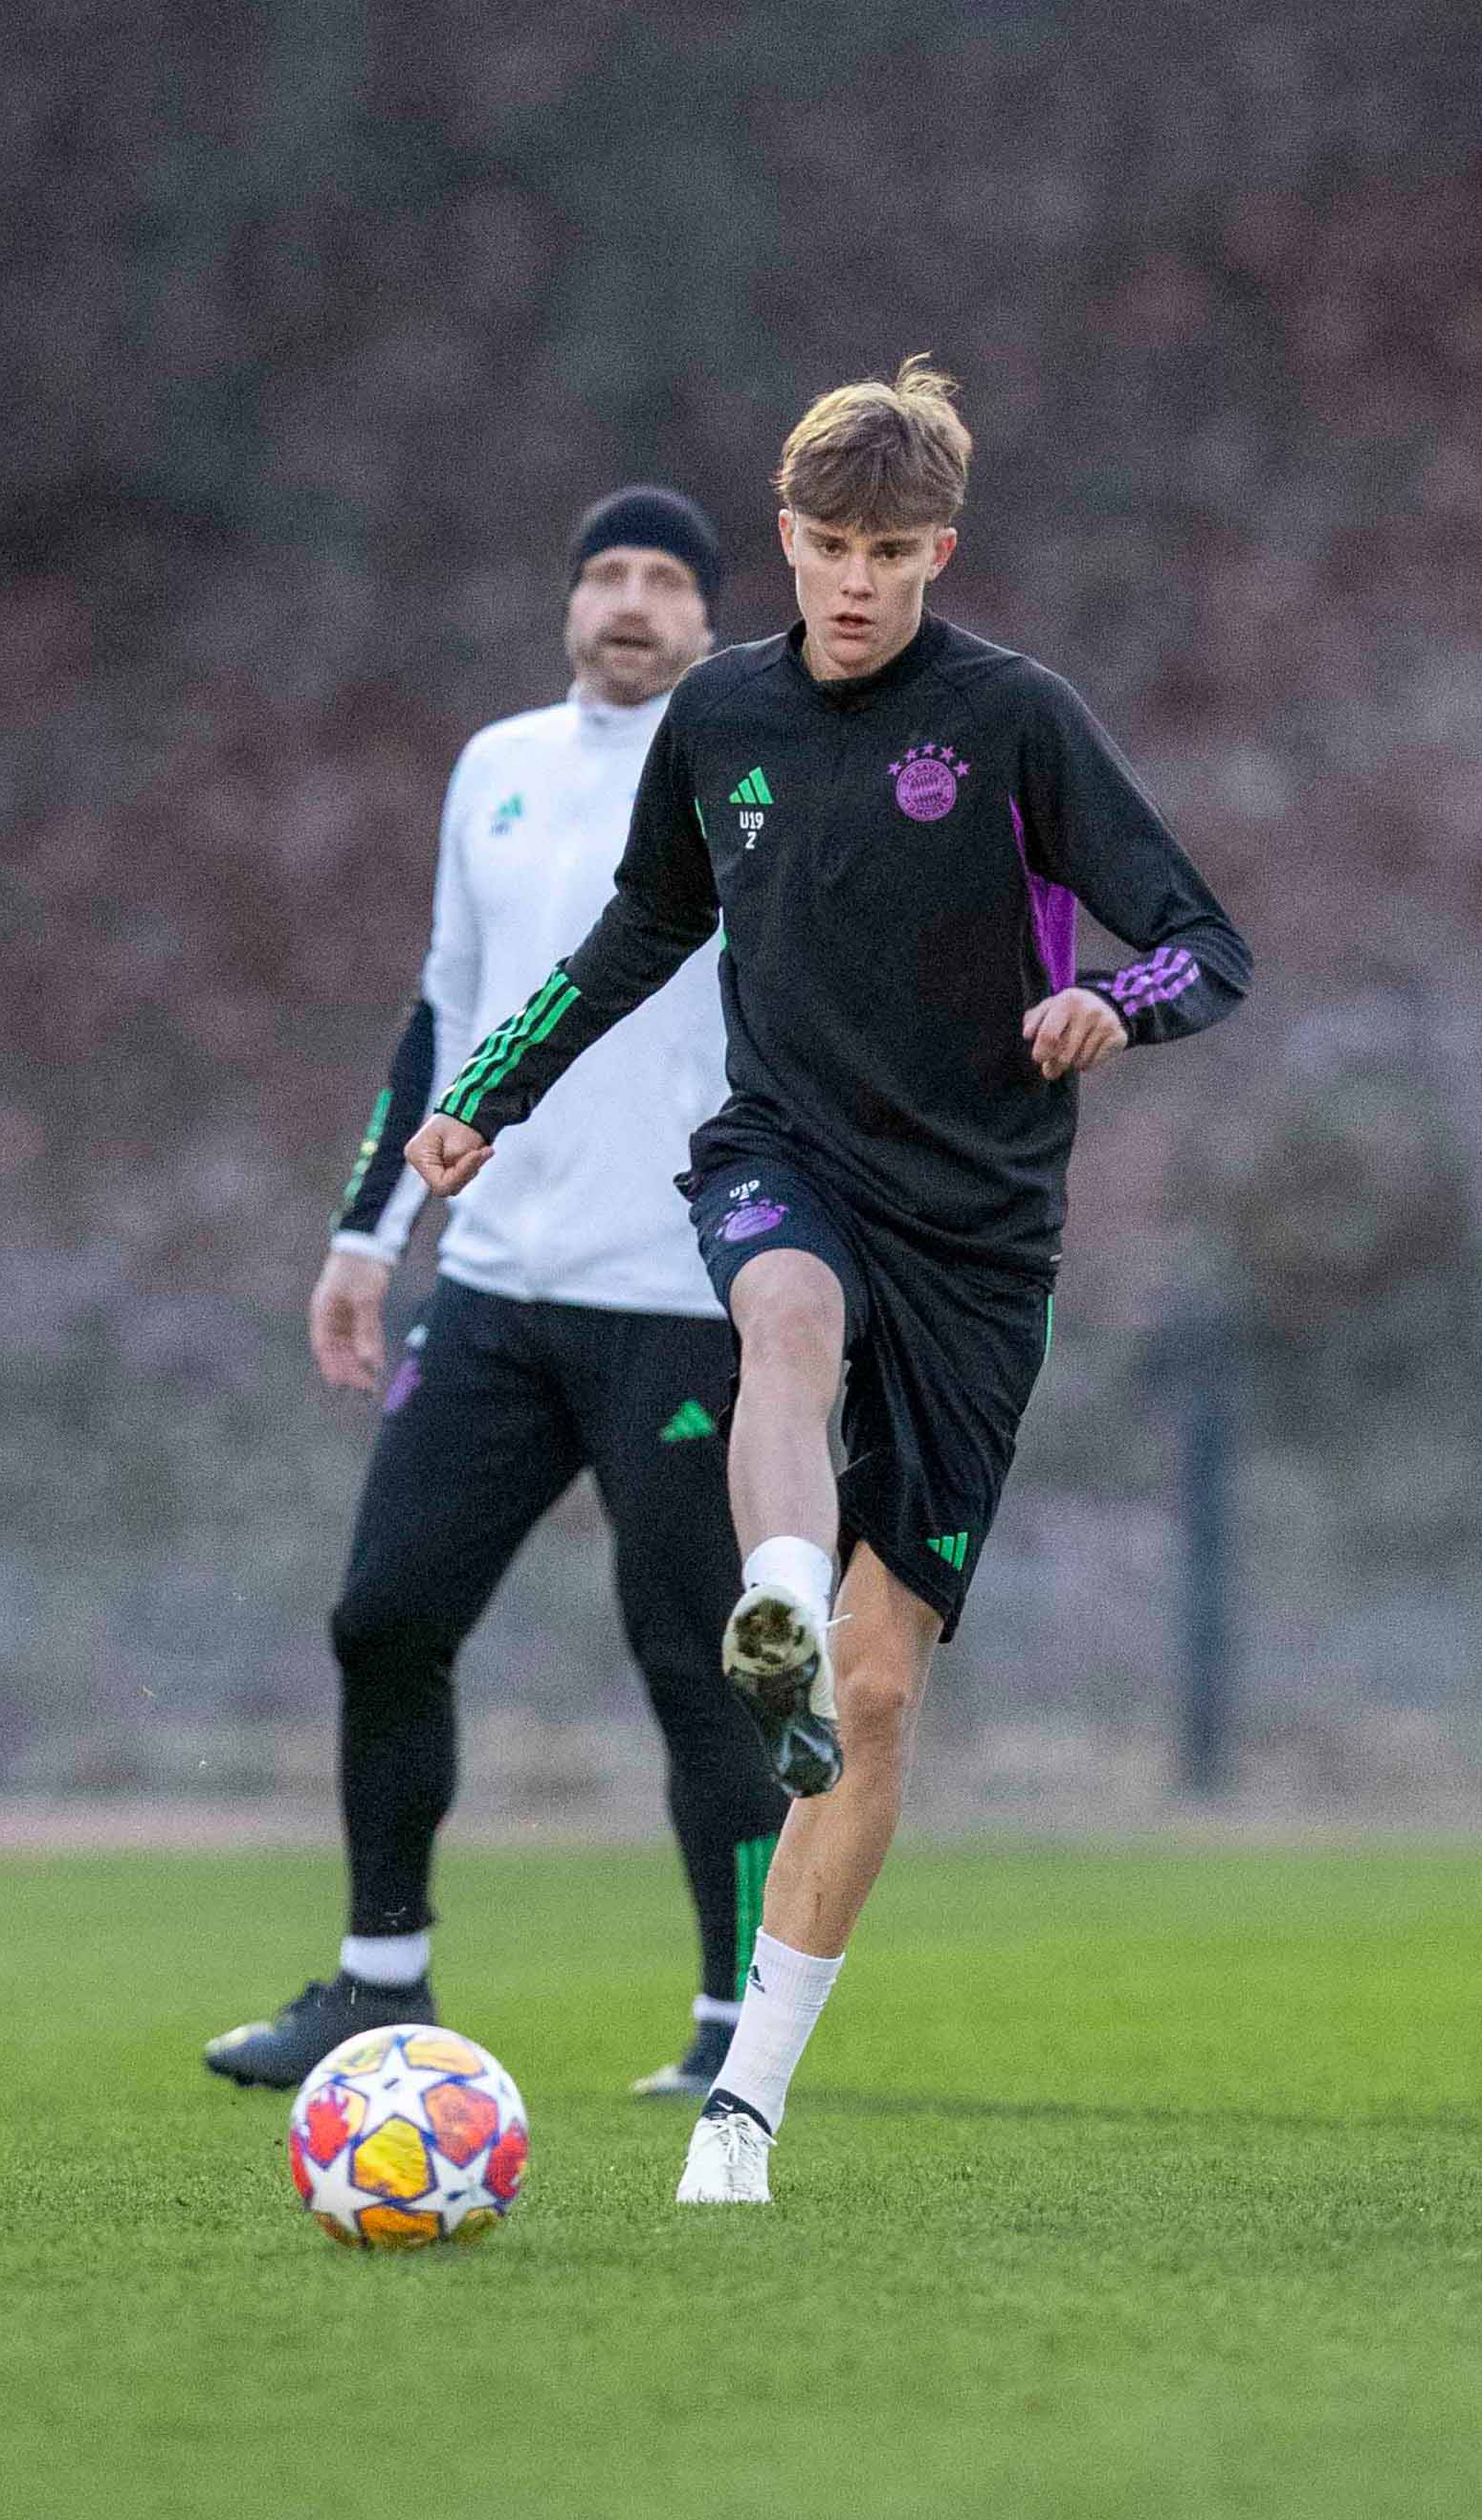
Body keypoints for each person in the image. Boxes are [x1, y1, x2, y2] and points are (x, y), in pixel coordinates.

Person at [403, 360, 1250, 2207]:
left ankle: (745, 2104)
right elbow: (643, 924)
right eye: (827, 546)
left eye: (891, 551)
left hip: (982, 1234)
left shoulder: (1016, 721)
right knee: (781, 1313)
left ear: (940, 549)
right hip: (786, 1149)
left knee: (876, 1699)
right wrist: (486, 1092)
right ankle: (769, 1593)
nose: (855, 581)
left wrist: (1115, 1000)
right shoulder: (720, 715)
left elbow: (1208, 940)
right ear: (778, 539)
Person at [204, 486, 792, 2102]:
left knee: (698, 1661)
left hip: (679, 1292)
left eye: (664, 579)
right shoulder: (497, 770)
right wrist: (362, 1232)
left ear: (710, 615)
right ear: (566, 603)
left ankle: (746, 2022)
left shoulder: (755, 773)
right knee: (383, 1614)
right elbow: (446, 1013)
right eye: (602, 572)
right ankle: (376, 1982)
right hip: (495, 1290)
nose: (627, 600)